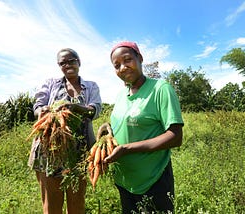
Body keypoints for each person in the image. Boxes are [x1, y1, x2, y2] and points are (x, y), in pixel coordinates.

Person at [98, 41, 184, 213]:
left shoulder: (160, 89)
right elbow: (123, 123)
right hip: (124, 180)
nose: (122, 67)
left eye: (127, 59)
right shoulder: (122, 94)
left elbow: (175, 136)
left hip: (153, 180)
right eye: (116, 65)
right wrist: (108, 127)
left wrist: (127, 149)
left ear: (140, 58)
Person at [28, 48, 102, 214]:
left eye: (71, 61)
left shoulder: (90, 86)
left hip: (80, 153)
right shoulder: (50, 84)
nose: (67, 64)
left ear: (79, 62)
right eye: (63, 63)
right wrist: (42, 111)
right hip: (50, 152)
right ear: (59, 66)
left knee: (77, 203)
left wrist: (76, 107)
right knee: (52, 205)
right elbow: (37, 106)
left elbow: (95, 109)